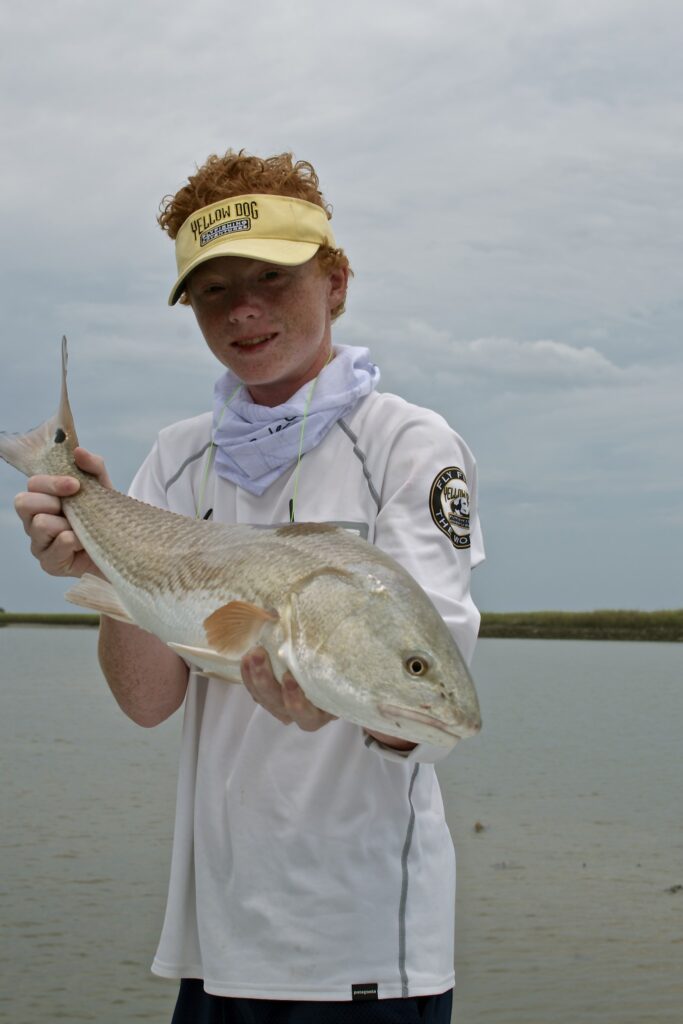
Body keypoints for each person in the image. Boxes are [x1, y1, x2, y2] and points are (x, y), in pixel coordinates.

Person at [14, 150, 484, 1023]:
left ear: (336, 282)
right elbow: (149, 700)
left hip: (365, 947)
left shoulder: (408, 447)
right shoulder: (176, 456)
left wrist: (345, 702)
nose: (245, 309)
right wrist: (104, 565)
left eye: (272, 275)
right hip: (216, 944)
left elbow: (435, 682)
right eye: (213, 291)